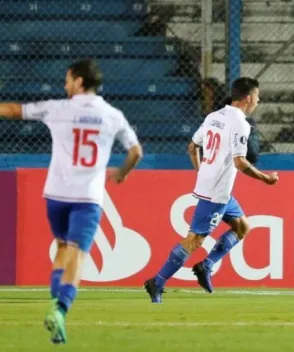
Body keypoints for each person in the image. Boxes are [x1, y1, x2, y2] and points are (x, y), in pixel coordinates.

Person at [0, 59, 143, 342]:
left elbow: (16, 111)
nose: (64, 85)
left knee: (63, 246)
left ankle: (56, 295)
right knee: (79, 252)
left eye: (67, 79)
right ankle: (61, 308)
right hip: (87, 196)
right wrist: (122, 173)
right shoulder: (112, 115)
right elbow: (136, 151)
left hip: (55, 194)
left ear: (79, 81)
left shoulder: (58, 109)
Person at [144, 77, 279, 303]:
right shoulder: (241, 124)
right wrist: (266, 179)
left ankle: (206, 265)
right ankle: (156, 282)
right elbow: (240, 163)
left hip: (216, 187)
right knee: (194, 240)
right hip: (217, 191)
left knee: (242, 226)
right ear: (248, 98)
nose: (258, 99)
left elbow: (192, 147)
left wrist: (202, 171)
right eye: (257, 95)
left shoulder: (213, 116)